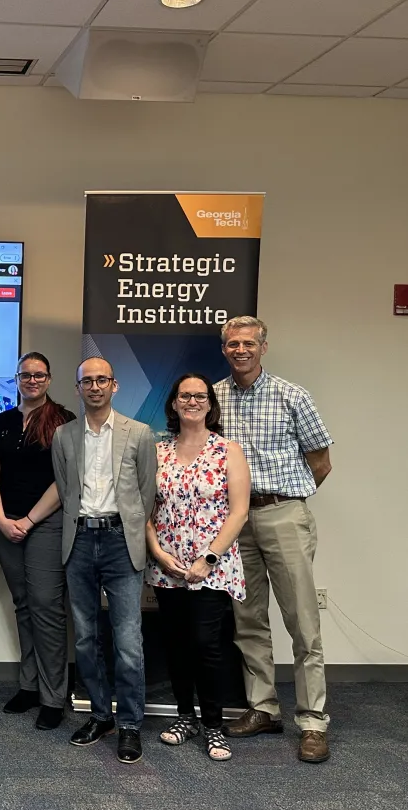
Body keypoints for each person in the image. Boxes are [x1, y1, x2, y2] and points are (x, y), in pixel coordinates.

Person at [214, 316, 334, 764]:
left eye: (248, 342)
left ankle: (313, 721)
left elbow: (320, 461)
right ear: (223, 348)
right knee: (248, 620)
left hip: (283, 513)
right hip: (234, 522)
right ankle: (263, 708)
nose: (240, 349)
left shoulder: (292, 395)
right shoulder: (214, 396)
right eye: (232, 343)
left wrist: (289, 502)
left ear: (264, 346)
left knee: (303, 623)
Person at [52, 356, 156, 764]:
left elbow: (145, 495)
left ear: (114, 385)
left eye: (102, 380)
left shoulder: (140, 433)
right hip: (78, 540)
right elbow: (65, 490)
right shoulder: (64, 435)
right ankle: (99, 715)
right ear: (77, 389)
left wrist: (123, 527)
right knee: (84, 636)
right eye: (86, 381)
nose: (94, 387)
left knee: (128, 641)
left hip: (120, 542)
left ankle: (129, 724)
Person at [146, 373, 251, 762]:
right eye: (184, 395)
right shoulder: (158, 451)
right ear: (173, 403)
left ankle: (213, 725)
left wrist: (208, 558)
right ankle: (184, 717)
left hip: (213, 565)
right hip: (168, 565)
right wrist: (157, 552)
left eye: (199, 396)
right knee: (175, 645)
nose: (192, 401)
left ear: (210, 404)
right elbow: (144, 508)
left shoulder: (228, 451)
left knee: (207, 646)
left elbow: (239, 511)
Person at [0, 352, 75, 730]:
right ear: (16, 378)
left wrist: (30, 519)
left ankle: (54, 697)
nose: (32, 380)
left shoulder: (64, 421)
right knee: (23, 604)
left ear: (49, 379)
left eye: (39, 375)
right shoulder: (2, 421)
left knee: (46, 607)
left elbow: (65, 480)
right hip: (7, 525)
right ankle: (29, 685)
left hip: (46, 524)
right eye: (25, 375)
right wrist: (2, 520)